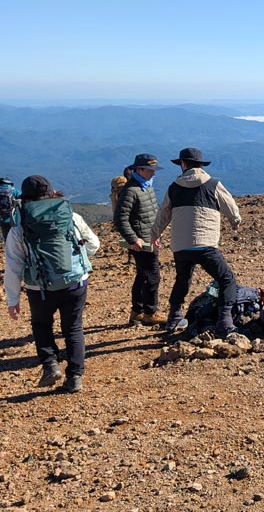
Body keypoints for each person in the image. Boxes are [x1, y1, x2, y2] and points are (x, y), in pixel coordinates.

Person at [4, 175, 100, 392]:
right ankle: (75, 377)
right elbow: (94, 243)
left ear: (24, 198)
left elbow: (13, 267)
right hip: (76, 282)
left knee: (41, 325)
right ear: (52, 193)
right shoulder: (71, 217)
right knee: (73, 328)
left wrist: (12, 299)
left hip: (40, 288)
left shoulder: (19, 227)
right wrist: (80, 259)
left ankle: (50, 365)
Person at [150, 147, 241, 336]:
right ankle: (224, 322)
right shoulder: (213, 184)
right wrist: (235, 221)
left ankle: (174, 318)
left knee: (182, 279)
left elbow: (163, 213)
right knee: (226, 280)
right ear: (200, 165)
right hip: (206, 244)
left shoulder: (174, 188)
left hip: (181, 246)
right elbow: (229, 205)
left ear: (183, 164)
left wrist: (155, 234)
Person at [114, 153, 164, 325]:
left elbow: (151, 214)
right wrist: (133, 239)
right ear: (139, 169)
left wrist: (156, 234)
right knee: (152, 275)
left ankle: (137, 312)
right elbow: (120, 219)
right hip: (140, 242)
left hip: (149, 239)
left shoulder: (145, 186)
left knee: (143, 275)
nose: (153, 173)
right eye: (150, 170)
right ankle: (150, 313)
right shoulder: (131, 190)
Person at [0, 177, 22, 241]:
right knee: (16, 237)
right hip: (14, 218)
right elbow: (23, 201)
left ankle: (7, 246)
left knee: (6, 237)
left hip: (2, 219)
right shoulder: (15, 191)